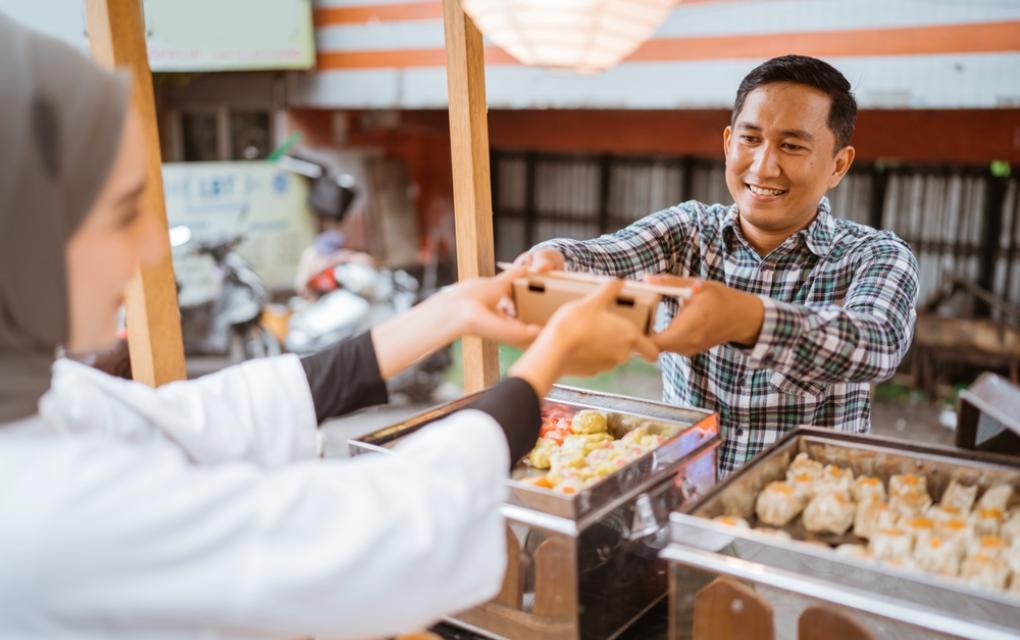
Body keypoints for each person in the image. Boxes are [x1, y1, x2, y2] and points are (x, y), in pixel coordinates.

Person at [0, 14, 657, 639]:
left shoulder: (40, 395)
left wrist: (444, 313)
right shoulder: (43, 514)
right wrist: (547, 361)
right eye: (122, 212)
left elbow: (213, 416)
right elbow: (386, 532)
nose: (150, 247)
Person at [516, 55, 919, 474]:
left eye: (791, 146)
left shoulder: (875, 255)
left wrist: (748, 320)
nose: (763, 166)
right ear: (728, 144)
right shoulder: (687, 230)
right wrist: (553, 259)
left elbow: (879, 343)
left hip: (802, 504)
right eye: (750, 139)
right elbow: (606, 255)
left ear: (838, 165)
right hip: (682, 492)